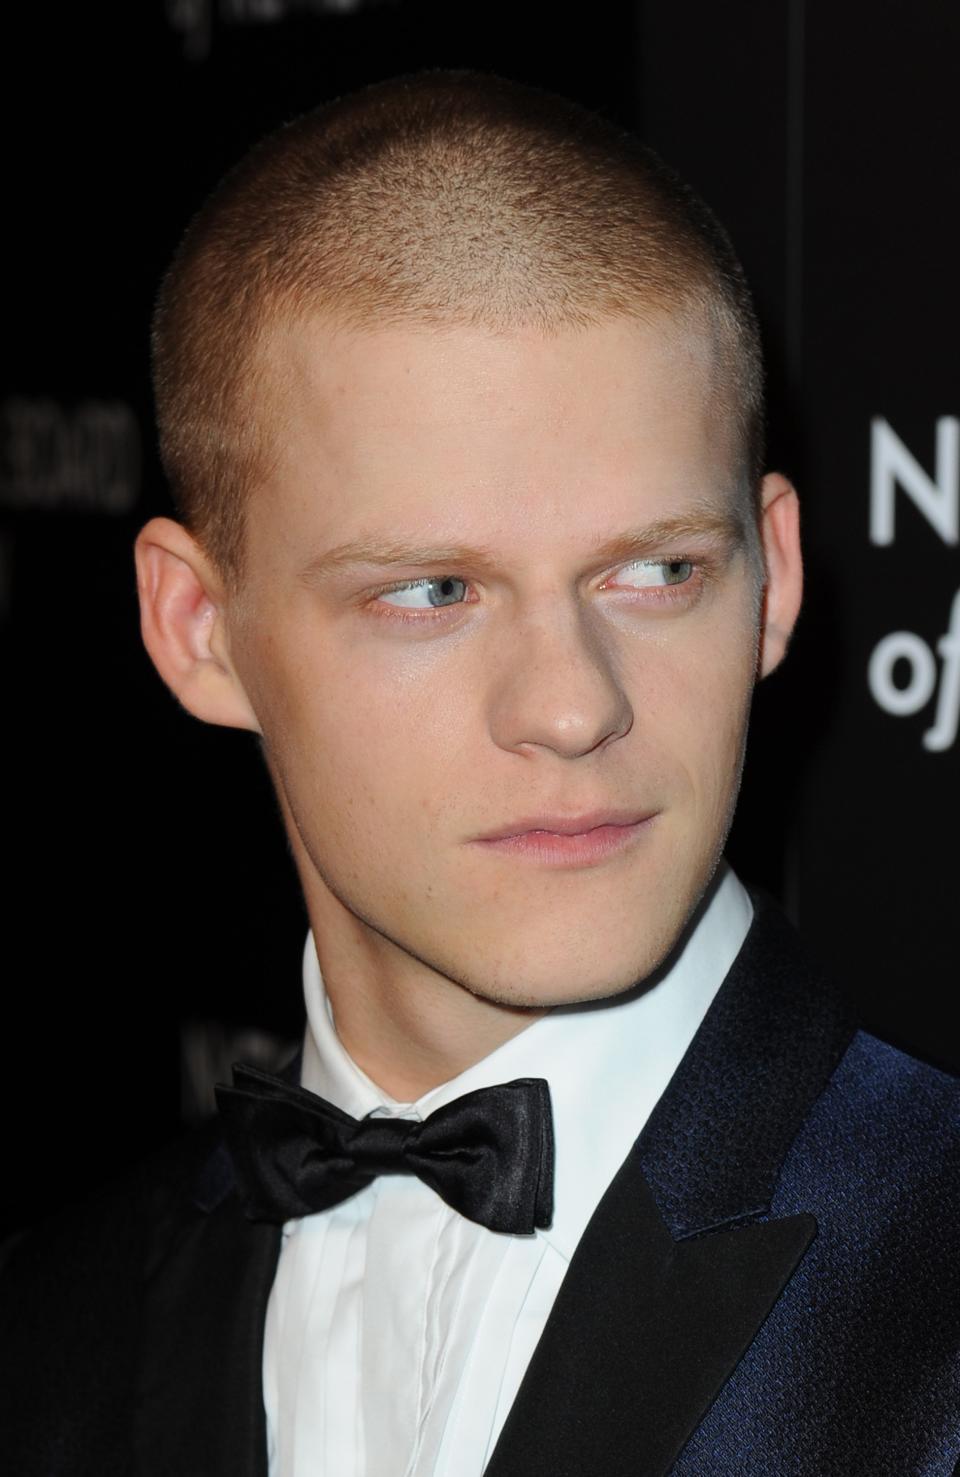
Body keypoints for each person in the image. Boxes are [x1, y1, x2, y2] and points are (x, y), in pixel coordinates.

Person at [2, 68, 958, 1477]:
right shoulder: (45, 1331)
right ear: (198, 628)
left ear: (775, 579)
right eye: (435, 589)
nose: (573, 707)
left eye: (656, 571)